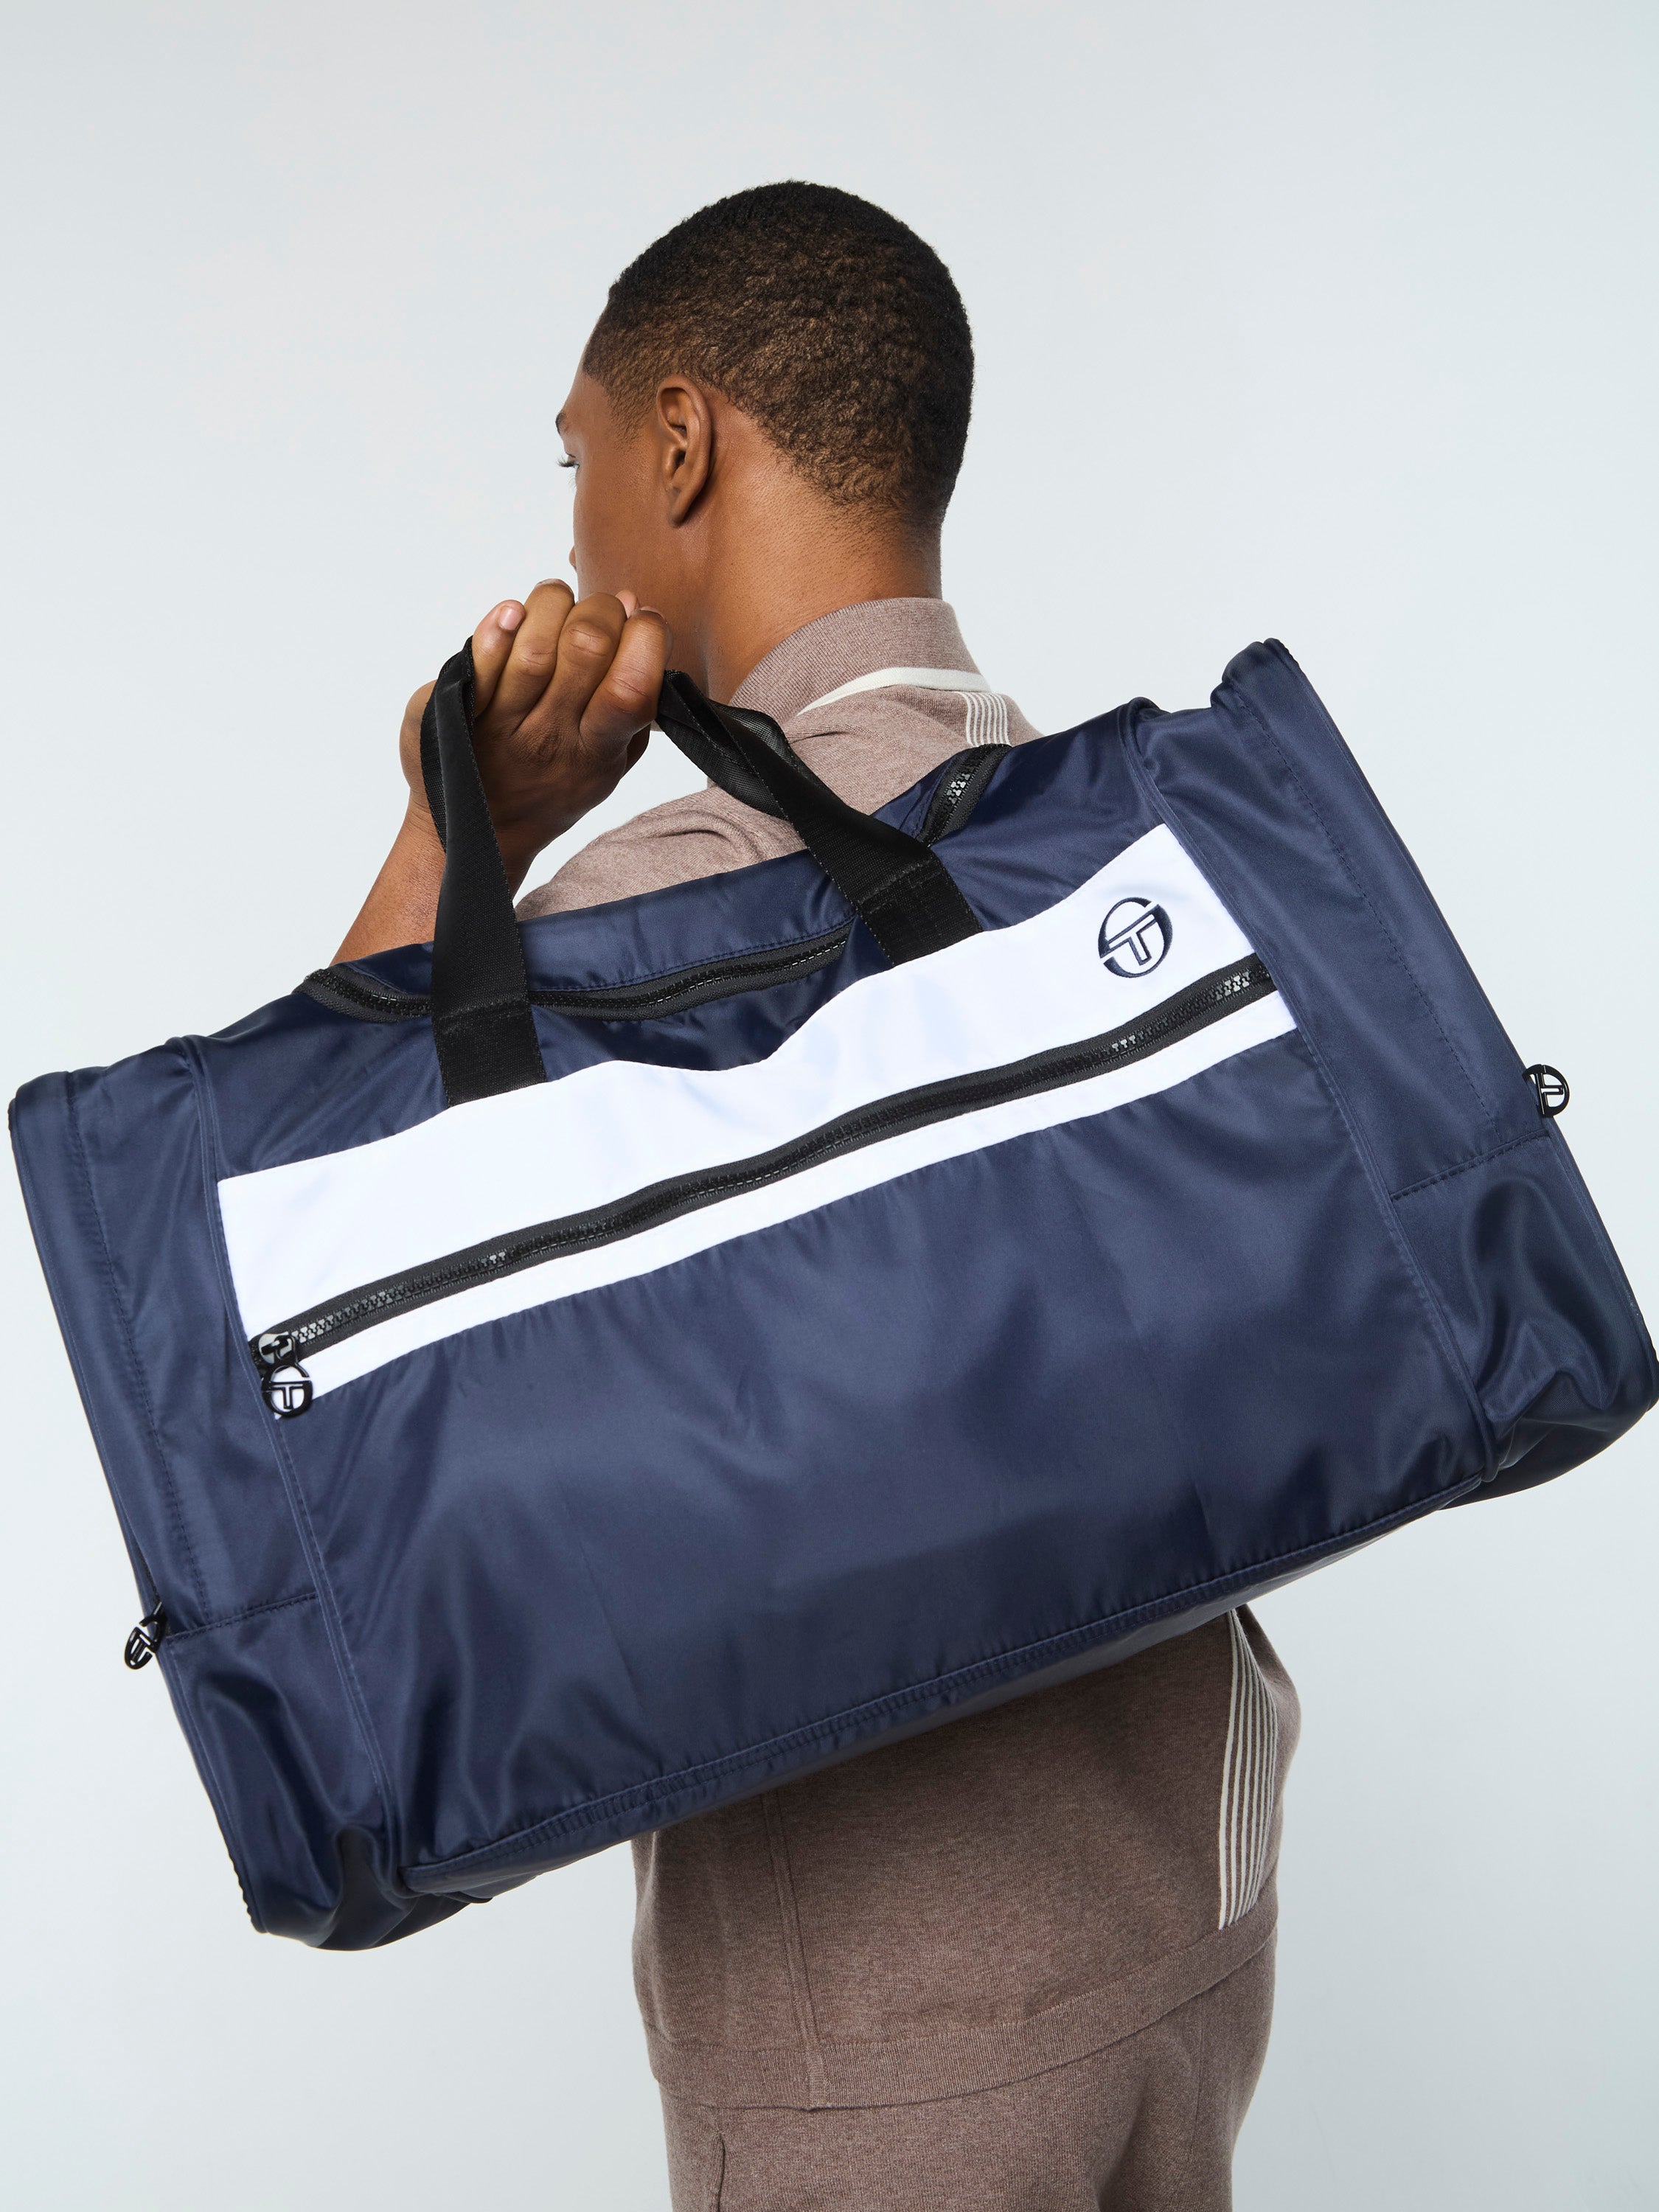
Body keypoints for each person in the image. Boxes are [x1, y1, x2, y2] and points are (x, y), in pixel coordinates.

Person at [338, 184, 1299, 2212]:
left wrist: (467, 831)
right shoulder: (1094, 824)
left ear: (681, 443)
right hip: (1187, 1899)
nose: (577, 526)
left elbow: (317, 1305)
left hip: (876, 2011)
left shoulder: (658, 917)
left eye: (581, 459)